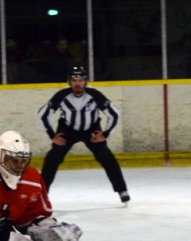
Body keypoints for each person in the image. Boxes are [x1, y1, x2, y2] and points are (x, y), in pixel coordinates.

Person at [37, 66, 130, 204]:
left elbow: (114, 113)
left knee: (107, 158)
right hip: (67, 130)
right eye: (74, 80)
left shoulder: (95, 94)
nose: (77, 83)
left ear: (85, 81)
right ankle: (41, 195)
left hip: (91, 131)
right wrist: (52, 136)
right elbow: (42, 114)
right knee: (52, 159)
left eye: (80, 80)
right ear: (69, 82)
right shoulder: (62, 95)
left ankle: (122, 190)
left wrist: (105, 134)